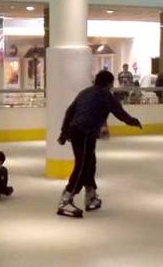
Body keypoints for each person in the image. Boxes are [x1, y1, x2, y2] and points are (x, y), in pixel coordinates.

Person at [56, 70, 143, 218]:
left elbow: (69, 112)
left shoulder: (84, 92)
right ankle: (66, 198)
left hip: (80, 131)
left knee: (90, 163)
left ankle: (90, 194)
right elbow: (119, 112)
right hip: (83, 131)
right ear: (108, 83)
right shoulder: (105, 95)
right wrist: (133, 121)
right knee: (83, 165)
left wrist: (64, 133)